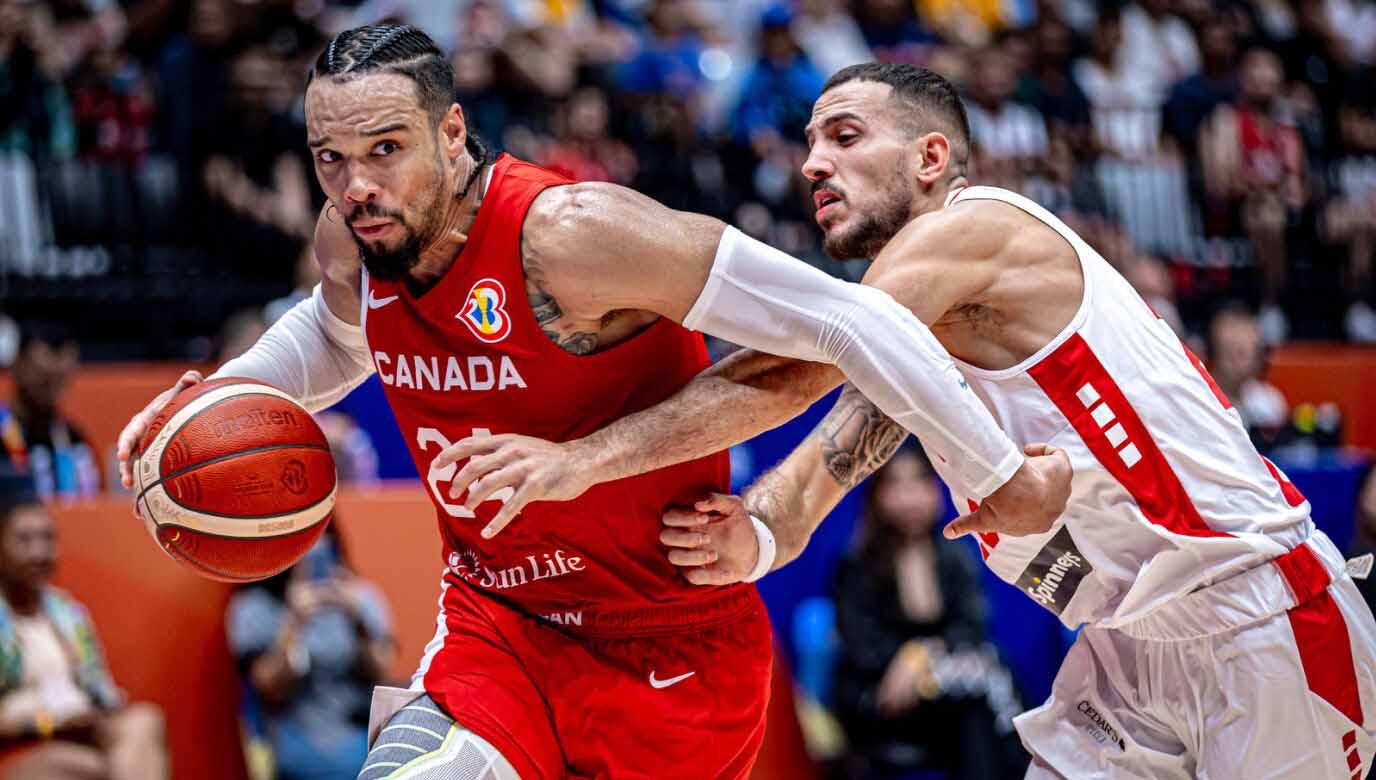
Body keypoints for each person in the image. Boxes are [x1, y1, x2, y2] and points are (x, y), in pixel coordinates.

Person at [114, 25, 1070, 780]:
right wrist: (226, 394)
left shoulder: (573, 237)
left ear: (451, 134)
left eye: (385, 149)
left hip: (670, 643)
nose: (356, 185)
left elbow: (852, 323)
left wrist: (995, 470)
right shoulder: (355, 237)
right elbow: (335, 334)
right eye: (330, 158)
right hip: (501, 628)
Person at [452, 61, 1376, 778]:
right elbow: (843, 444)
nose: (813, 163)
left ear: (931, 159)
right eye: (809, 143)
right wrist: (765, 533)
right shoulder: (915, 337)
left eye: (845, 137)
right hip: (1128, 649)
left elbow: (795, 370)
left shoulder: (974, 229)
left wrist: (579, 460)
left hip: (1261, 620)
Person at [833, 443, 1024, 780]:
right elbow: (864, 651)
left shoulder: (955, 557)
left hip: (950, 695)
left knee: (981, 693)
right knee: (988, 681)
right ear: (876, 494)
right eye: (896, 484)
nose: (909, 497)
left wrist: (921, 655)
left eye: (920, 481)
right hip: (882, 696)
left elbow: (972, 627)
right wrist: (907, 663)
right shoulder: (857, 565)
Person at [0, 469, 167, 780]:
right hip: (26, 742)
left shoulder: (67, 612)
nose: (39, 552)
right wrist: (46, 722)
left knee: (144, 721)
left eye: (47, 539)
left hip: (83, 730)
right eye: (24, 540)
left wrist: (97, 711)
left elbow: (101, 690)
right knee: (86, 767)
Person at [227, 522, 393, 780]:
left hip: (358, 727)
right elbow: (269, 688)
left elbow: (382, 672)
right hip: (297, 733)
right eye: (303, 550)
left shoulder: (360, 598)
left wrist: (357, 620)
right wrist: (294, 622)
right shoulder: (254, 607)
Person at [0, 321, 99, 501]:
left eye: (59, 381)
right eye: (43, 379)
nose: (52, 393)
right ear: (17, 366)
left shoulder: (75, 441)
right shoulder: (3, 432)